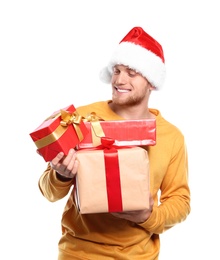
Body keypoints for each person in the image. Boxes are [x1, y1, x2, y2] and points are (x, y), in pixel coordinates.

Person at [38, 26, 191, 259]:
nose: (119, 80)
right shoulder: (82, 118)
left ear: (151, 82)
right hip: (79, 252)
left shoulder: (170, 136)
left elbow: (180, 202)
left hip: (138, 255)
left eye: (132, 73)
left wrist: (149, 216)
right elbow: (48, 192)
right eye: (117, 70)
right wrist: (61, 175)